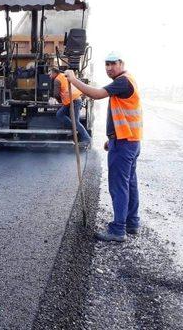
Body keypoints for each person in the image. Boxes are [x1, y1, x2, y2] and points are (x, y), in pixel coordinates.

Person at [64, 52, 142, 242]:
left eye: (112, 64)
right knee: (129, 183)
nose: (108, 68)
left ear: (122, 63)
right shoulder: (126, 80)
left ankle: (118, 230)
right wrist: (113, 137)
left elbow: (97, 94)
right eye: (106, 64)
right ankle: (132, 223)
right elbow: (122, 113)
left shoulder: (123, 81)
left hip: (125, 144)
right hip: (129, 140)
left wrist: (73, 80)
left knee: (119, 186)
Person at [49, 67, 91, 144]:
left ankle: (87, 139)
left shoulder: (57, 80)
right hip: (71, 100)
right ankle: (74, 128)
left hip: (74, 100)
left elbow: (56, 94)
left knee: (76, 121)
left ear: (55, 73)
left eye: (50, 74)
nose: (49, 76)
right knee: (60, 114)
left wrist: (59, 101)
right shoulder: (64, 75)